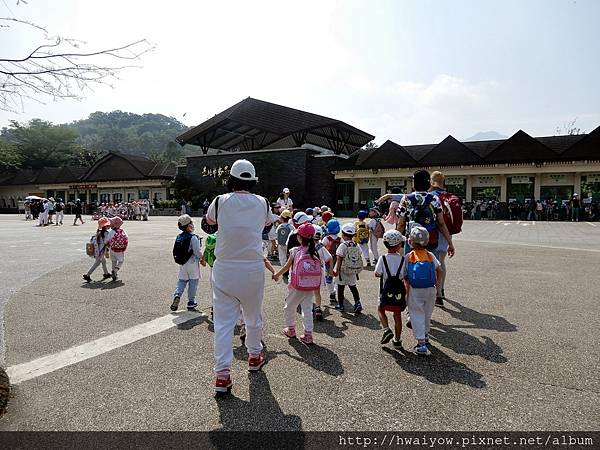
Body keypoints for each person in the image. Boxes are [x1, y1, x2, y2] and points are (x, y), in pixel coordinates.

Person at [205, 159, 272, 395]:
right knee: (253, 316)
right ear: (253, 180)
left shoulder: (219, 201)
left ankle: (222, 375)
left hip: (225, 268)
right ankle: (254, 356)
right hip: (252, 267)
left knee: (223, 324)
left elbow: (210, 221)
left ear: (231, 179)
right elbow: (266, 224)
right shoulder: (263, 202)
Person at [395, 170, 455, 302]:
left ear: (414, 183)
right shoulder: (434, 198)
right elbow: (441, 223)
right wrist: (450, 243)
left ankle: (410, 303)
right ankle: (431, 298)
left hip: (411, 241)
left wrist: (397, 242)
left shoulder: (407, 198)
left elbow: (400, 224)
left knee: (408, 271)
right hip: (430, 241)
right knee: (430, 269)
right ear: (429, 183)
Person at [273, 223, 322, 345]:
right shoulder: (315, 251)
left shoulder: (295, 251)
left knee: (289, 307)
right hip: (310, 286)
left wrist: (277, 274)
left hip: (296, 286)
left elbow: (286, 266)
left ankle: (291, 329)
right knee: (307, 309)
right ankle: (308, 334)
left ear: (299, 237)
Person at [401, 226, 442, 356]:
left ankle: (421, 344)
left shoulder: (408, 257)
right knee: (427, 313)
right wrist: (438, 284)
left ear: (411, 242)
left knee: (416, 314)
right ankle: (425, 333)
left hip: (415, 290)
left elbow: (403, 274)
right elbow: (439, 270)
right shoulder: (430, 255)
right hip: (430, 289)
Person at [374, 230, 406, 349]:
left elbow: (377, 273)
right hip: (398, 293)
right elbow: (404, 275)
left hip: (385, 292)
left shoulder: (383, 259)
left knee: (381, 309)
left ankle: (386, 329)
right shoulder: (403, 260)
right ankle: (397, 340)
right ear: (399, 246)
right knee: (397, 315)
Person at [171, 214, 206, 312]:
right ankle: (191, 302)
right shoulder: (193, 237)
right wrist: (202, 259)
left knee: (182, 281)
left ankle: (177, 295)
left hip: (182, 264)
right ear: (188, 225)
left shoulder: (179, 237)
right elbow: (197, 251)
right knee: (193, 283)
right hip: (192, 264)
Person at [428, 171, 451, 303]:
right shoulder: (449, 196)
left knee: (432, 262)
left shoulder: (431, 197)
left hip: (434, 233)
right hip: (447, 234)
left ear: (431, 182)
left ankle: (435, 292)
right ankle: (441, 289)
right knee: (441, 262)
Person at [332, 223, 363, 314]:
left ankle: (341, 305)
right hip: (353, 270)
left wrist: (336, 271)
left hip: (342, 271)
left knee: (340, 288)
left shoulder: (343, 245)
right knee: (353, 288)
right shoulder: (355, 245)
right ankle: (357, 303)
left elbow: (339, 258)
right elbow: (359, 254)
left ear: (343, 234)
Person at [311, 225, 332, 321]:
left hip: (307, 271)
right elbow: (329, 258)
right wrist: (330, 271)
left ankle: (308, 307)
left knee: (306, 291)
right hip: (318, 271)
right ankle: (318, 308)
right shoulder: (321, 247)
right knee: (317, 292)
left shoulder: (305, 245)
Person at [83, 217, 113, 282]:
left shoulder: (97, 233)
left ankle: (106, 273)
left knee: (103, 261)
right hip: (100, 252)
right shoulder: (106, 233)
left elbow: (93, 242)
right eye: (107, 225)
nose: (109, 226)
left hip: (97, 251)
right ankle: (87, 275)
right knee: (97, 263)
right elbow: (107, 242)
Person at [321, 218, 341, 303]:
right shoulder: (340, 239)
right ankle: (335, 290)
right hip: (337, 261)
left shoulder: (326, 238)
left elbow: (321, 248)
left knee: (328, 277)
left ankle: (332, 292)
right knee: (336, 277)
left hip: (328, 261)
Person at [108, 217, 128, 282]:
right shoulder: (122, 231)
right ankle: (115, 270)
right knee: (121, 261)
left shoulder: (111, 232)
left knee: (113, 261)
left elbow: (108, 240)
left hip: (112, 249)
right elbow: (126, 238)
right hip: (120, 250)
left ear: (113, 225)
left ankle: (114, 273)